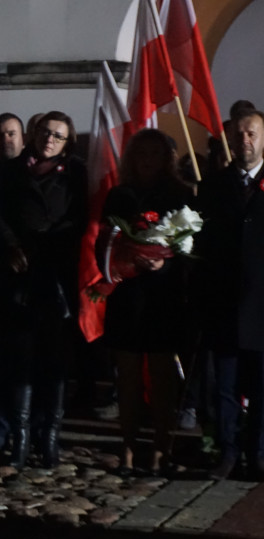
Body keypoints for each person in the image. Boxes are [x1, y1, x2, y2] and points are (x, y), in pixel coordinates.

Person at [0, 111, 86, 469]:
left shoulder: (75, 173)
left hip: (56, 277)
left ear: (67, 142)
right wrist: (12, 246)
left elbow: (81, 218)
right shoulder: (11, 171)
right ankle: (21, 437)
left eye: (57, 136)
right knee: (21, 361)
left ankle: (50, 438)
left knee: (54, 362)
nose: (49, 140)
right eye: (45, 132)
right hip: (20, 276)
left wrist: (55, 242)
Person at [99, 128, 192, 476]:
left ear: (166, 159)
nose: (148, 161)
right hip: (128, 295)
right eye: (142, 154)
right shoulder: (120, 196)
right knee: (127, 378)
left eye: (155, 154)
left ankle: (159, 450)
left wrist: (164, 263)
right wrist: (119, 264)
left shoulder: (180, 195)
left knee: (163, 376)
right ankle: (126, 447)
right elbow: (105, 241)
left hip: (165, 299)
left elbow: (191, 248)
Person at [197, 109, 264, 480]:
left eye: (252, 133)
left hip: (262, 304)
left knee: (261, 386)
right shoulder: (213, 187)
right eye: (238, 135)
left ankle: (258, 452)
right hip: (223, 302)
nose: (245, 141)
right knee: (223, 385)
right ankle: (226, 450)